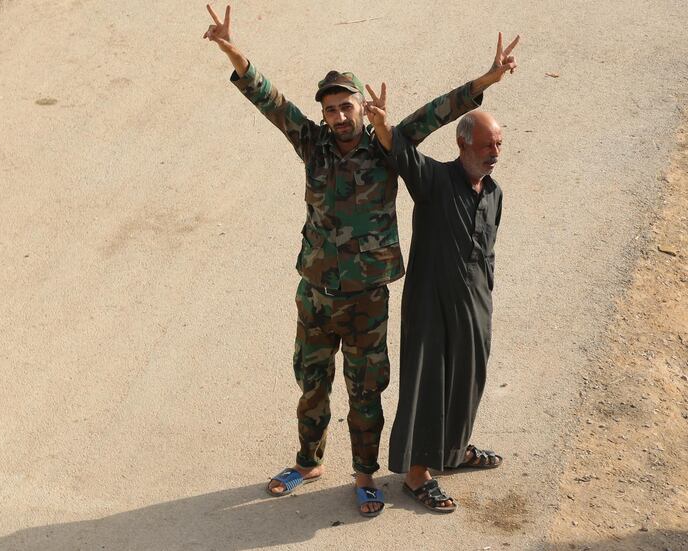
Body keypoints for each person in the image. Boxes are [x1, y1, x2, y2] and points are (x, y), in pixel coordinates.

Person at [204, 2, 511, 516]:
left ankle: (365, 477)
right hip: (317, 293)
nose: (338, 116)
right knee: (312, 381)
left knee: (366, 388)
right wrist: (232, 50)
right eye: (330, 109)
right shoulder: (312, 143)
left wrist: (489, 78)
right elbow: (268, 98)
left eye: (346, 106)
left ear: (360, 108)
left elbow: (441, 110)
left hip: (367, 296)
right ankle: (307, 462)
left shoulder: (388, 145)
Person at [365, 34, 518, 513]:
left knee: (468, 379)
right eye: (485, 144)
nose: (493, 153)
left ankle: (455, 450)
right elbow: (399, 145)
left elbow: (487, 255)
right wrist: (384, 124)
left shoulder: (493, 194)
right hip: (430, 304)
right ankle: (416, 475)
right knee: (428, 384)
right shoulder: (432, 179)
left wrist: (485, 299)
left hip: (475, 305)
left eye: (498, 145)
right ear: (462, 143)